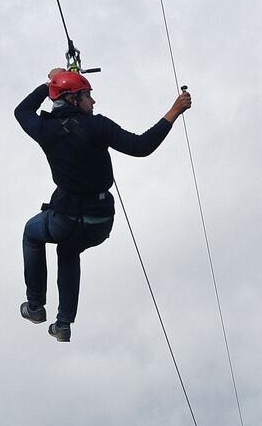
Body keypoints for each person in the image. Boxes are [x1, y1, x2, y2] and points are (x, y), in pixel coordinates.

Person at [15, 69, 191, 341]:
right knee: (69, 251)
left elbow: (22, 110)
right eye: (88, 96)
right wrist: (174, 111)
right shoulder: (97, 126)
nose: (93, 103)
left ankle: (36, 307)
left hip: (65, 219)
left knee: (33, 233)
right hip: (99, 222)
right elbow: (142, 146)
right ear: (74, 99)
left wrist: (48, 83)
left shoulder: (44, 129)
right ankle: (63, 325)